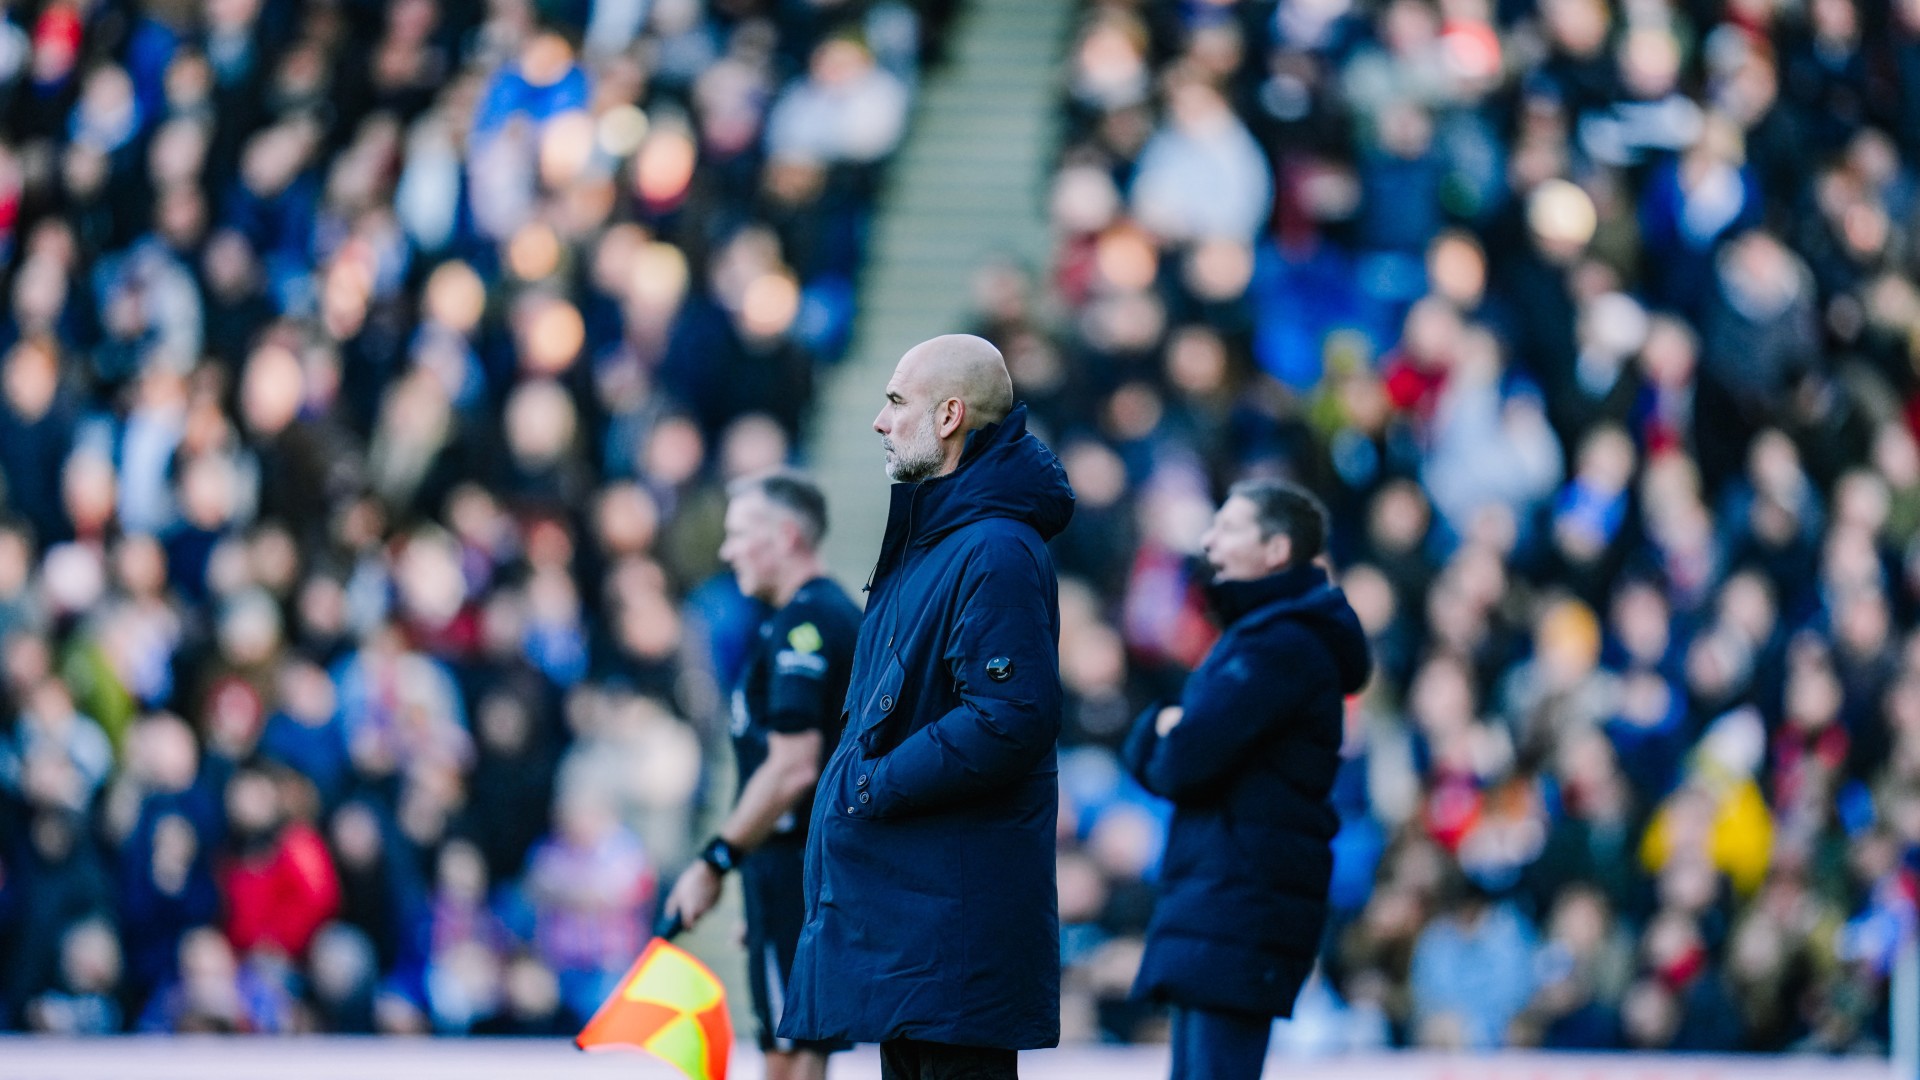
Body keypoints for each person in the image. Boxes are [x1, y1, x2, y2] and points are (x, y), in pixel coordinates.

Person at [780, 334, 1075, 1080]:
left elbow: (1008, 716)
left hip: (953, 946)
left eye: (895, 402)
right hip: (921, 938)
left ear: (949, 416)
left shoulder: (995, 550)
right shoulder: (935, 542)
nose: (880, 421)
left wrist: (871, 784)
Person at [1121, 479, 1372, 1080]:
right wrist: (1170, 728)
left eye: (1229, 528)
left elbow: (1183, 761)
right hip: (1230, 904)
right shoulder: (1265, 640)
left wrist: (1161, 728)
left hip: (1239, 904)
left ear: (1277, 550)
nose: (1209, 541)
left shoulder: (1278, 647)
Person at [660, 470, 860, 1080]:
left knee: (791, 1060)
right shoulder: (809, 617)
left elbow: (794, 767)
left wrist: (715, 862)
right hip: (803, 875)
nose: (728, 552)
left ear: (787, 536)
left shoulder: (807, 625)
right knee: (802, 1051)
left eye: (741, 533)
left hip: (797, 868)